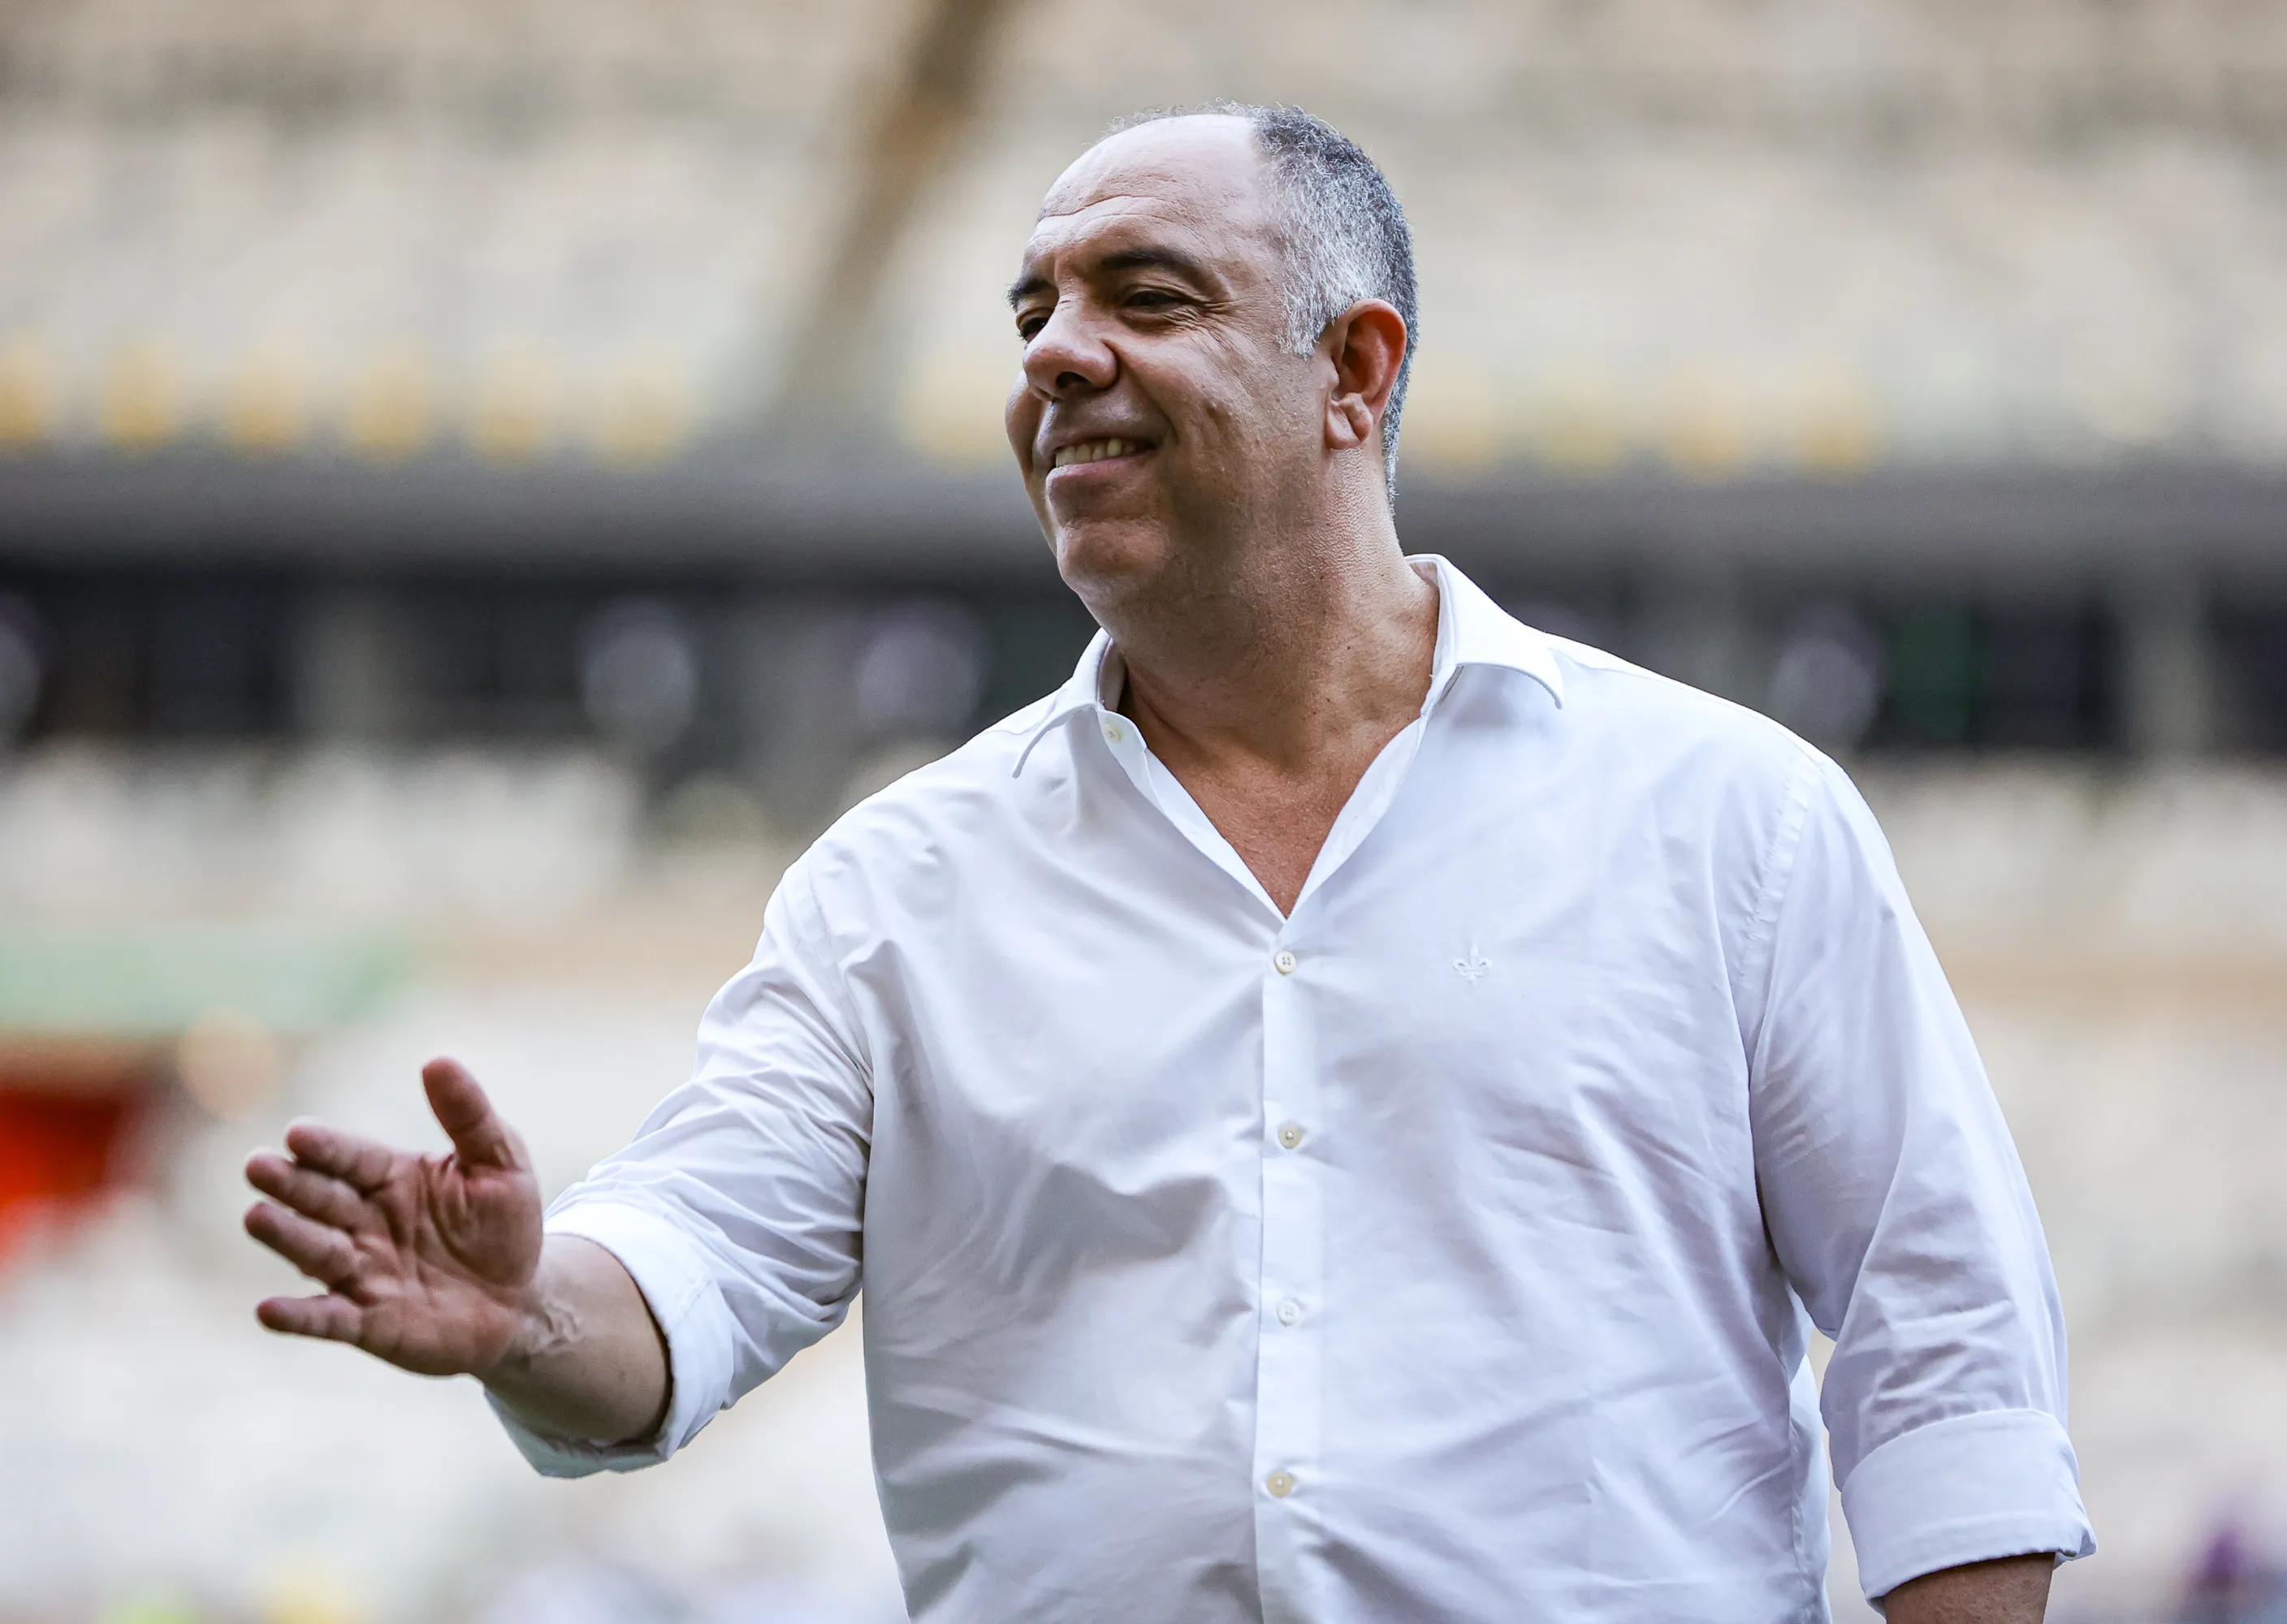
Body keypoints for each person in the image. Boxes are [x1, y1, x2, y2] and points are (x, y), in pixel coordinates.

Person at [244, 105, 2093, 1622]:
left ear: (1353, 371)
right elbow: (691, 1267)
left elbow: (1950, 1345)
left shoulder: (1732, 821)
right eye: (1031, 309)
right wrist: (522, 1311)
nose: (1057, 352)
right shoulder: (898, 887)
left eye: (1143, 294)